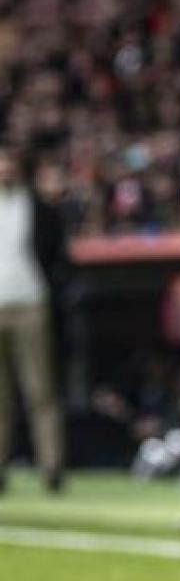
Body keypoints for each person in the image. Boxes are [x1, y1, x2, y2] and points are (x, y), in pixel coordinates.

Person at [0, 146, 69, 495]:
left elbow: (59, 256)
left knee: (40, 390)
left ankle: (52, 468)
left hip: (31, 306)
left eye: (9, 163)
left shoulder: (40, 209)